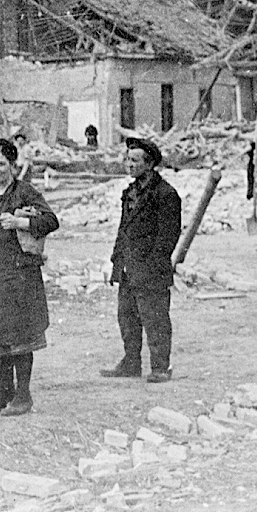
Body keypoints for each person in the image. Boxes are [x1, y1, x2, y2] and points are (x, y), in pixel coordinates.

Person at [0, 138, 59, 416]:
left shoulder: (24, 191)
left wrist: (22, 222)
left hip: (17, 273)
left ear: (12, 165)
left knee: (19, 336)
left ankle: (23, 396)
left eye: (1, 164)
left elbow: (51, 220)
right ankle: (3, 393)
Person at [101, 137, 182, 383]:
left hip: (151, 270)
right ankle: (131, 363)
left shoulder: (165, 194)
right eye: (127, 159)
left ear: (150, 164)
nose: (129, 164)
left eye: (135, 160)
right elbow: (123, 229)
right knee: (127, 317)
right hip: (128, 267)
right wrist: (116, 260)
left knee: (155, 319)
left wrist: (151, 265)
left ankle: (160, 367)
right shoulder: (130, 192)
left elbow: (168, 236)